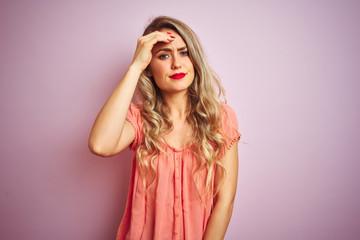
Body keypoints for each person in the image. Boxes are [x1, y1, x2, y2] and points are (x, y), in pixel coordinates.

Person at [88, 16, 241, 240]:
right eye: (164, 55)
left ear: (194, 60)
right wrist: (135, 66)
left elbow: (225, 202)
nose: (176, 64)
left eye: (184, 52)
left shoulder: (221, 117)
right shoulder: (140, 119)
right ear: (149, 68)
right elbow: (100, 145)